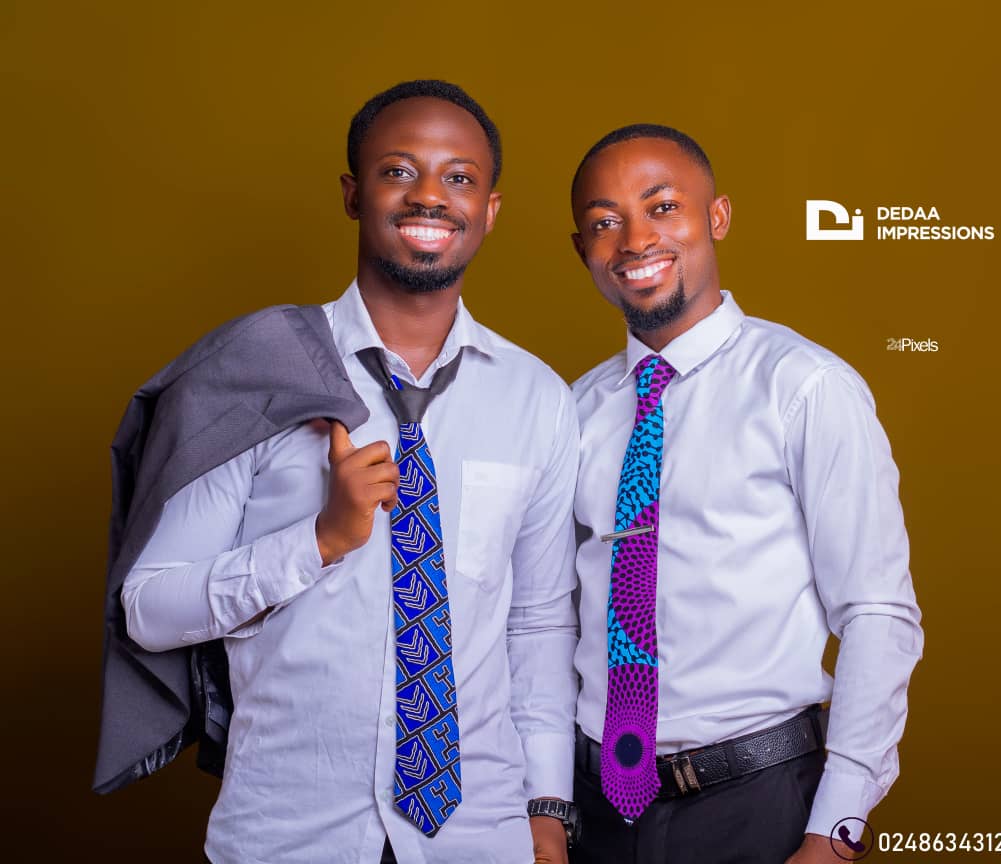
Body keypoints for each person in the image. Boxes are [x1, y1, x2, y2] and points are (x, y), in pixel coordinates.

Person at [120, 80, 579, 864]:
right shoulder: (253, 374)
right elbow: (148, 610)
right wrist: (320, 539)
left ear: (490, 208)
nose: (430, 196)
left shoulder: (535, 396)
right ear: (352, 194)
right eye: (398, 171)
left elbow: (536, 622)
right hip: (290, 831)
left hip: (481, 834)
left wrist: (546, 810)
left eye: (458, 177)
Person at [566, 124, 923, 864]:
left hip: (758, 804)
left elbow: (877, 611)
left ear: (715, 217)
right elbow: (542, 618)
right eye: (605, 222)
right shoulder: (572, 412)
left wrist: (836, 829)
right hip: (595, 811)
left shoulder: (803, 387)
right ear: (583, 251)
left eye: (661, 207)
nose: (634, 239)